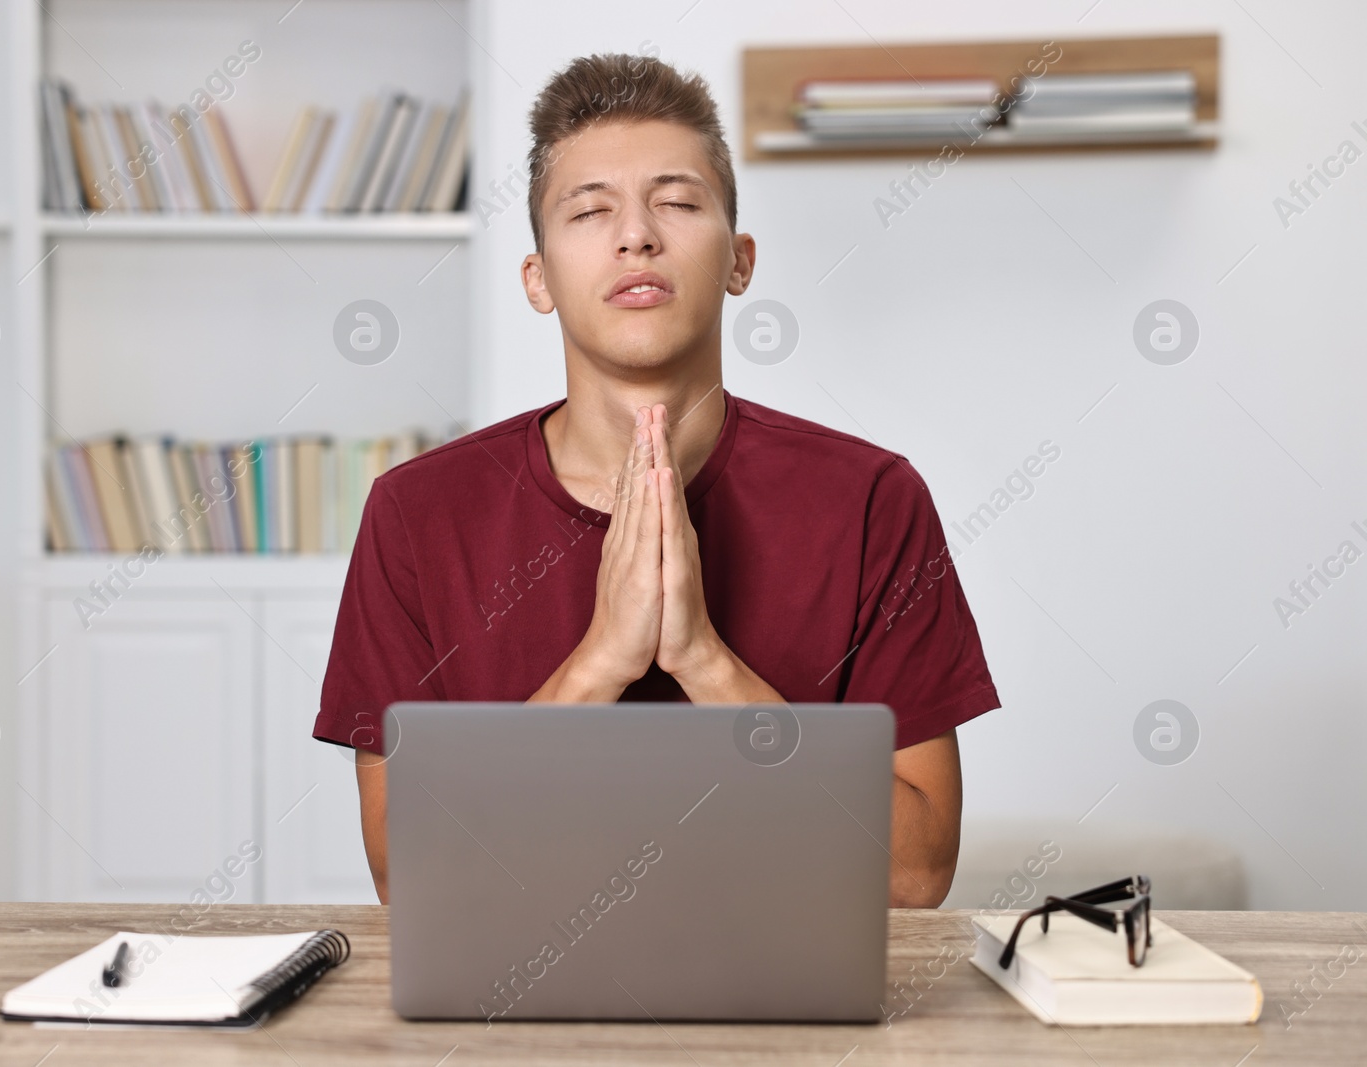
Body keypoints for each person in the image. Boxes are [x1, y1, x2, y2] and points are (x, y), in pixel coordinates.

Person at [313, 52, 1000, 907]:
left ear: (739, 262)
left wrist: (703, 661)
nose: (636, 233)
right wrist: (601, 661)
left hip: (790, 1021)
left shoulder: (872, 500)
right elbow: (410, 873)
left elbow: (915, 874)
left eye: (676, 202)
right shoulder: (416, 515)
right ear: (539, 280)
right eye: (591, 210)